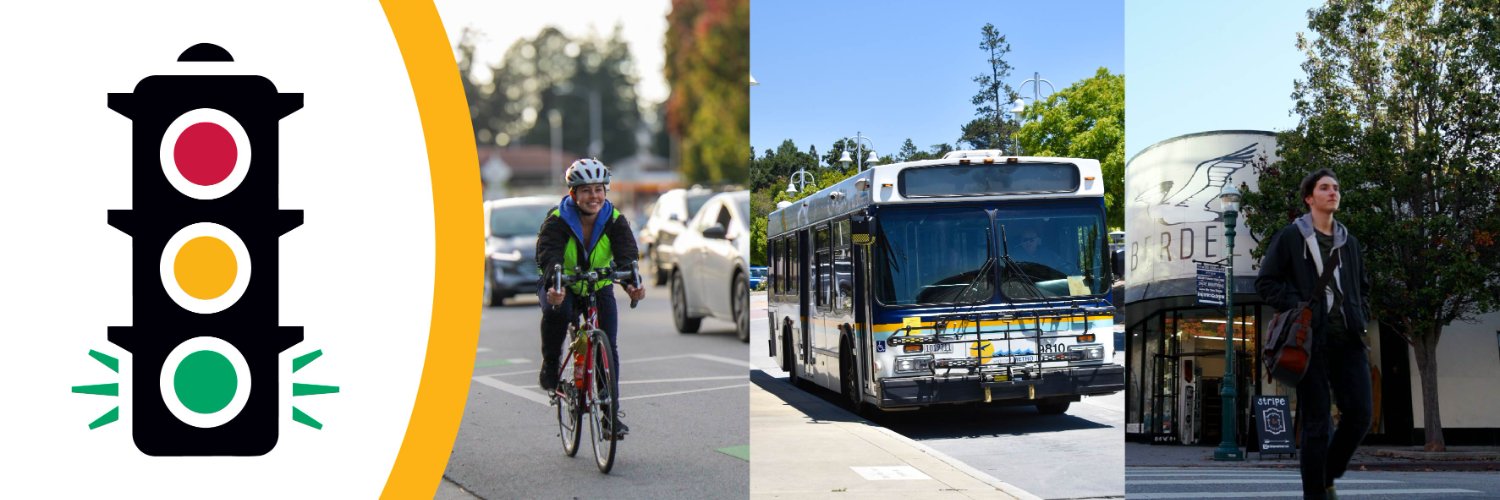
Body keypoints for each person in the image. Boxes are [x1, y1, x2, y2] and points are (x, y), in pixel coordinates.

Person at [1255, 168, 1371, 500]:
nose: (1333, 192)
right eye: (1324, 188)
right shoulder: (1291, 237)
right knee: (1317, 423)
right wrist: (1300, 305)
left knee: (1361, 414)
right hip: (1309, 340)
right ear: (1310, 198)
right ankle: (1316, 495)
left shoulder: (1350, 243)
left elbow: (1362, 286)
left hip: (1347, 338)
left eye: (1336, 187)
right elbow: (1267, 283)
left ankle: (1327, 474)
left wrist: (1360, 313)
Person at [535, 158, 646, 438]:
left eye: (599, 189)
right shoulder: (557, 221)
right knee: (557, 312)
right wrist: (555, 286)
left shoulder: (615, 220)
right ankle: (550, 364)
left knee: (608, 345)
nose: (593, 196)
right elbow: (548, 255)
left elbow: (627, 256)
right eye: (586, 190)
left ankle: (610, 417)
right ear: (573, 194)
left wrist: (632, 284)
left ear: (605, 192)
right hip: (565, 286)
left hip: (599, 285)